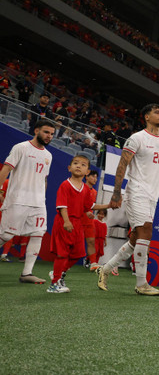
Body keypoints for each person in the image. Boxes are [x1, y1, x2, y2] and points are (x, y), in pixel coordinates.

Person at [97, 104, 159, 296]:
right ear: (147, 117)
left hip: (153, 195)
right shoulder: (137, 138)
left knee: (136, 238)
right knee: (146, 232)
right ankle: (142, 283)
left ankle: (105, 269)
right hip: (136, 192)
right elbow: (122, 164)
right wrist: (117, 193)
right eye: (157, 112)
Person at [0, 119, 56, 283]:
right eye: (46, 132)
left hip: (38, 203)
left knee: (38, 233)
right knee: (6, 235)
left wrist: (42, 198)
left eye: (52, 134)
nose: (49, 136)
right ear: (36, 130)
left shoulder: (48, 155)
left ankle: (27, 273)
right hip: (18, 200)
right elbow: (6, 169)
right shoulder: (21, 147)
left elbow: (44, 179)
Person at [47, 155, 109, 293]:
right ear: (69, 168)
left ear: (87, 172)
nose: (78, 166)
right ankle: (53, 285)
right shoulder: (65, 184)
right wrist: (67, 221)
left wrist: (109, 205)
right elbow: (62, 205)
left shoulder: (86, 189)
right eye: (75, 163)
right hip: (65, 222)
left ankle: (58, 273)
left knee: (77, 254)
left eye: (83, 164)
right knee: (62, 254)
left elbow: (90, 205)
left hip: (77, 224)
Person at [83, 170, 100, 271]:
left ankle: (93, 263)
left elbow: (92, 206)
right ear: (87, 177)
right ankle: (64, 262)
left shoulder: (94, 192)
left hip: (89, 221)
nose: (95, 179)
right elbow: (78, 205)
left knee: (91, 241)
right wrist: (85, 212)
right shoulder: (80, 188)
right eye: (93, 176)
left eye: (96, 177)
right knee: (73, 243)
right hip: (79, 220)